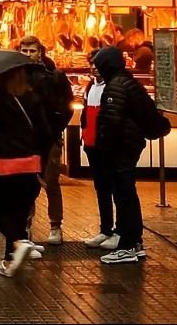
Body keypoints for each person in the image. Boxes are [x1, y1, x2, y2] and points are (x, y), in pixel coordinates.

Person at [93, 46, 169, 264]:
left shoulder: (115, 86)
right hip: (130, 146)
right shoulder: (128, 82)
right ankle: (134, 243)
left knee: (124, 196)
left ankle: (127, 245)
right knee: (127, 194)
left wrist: (104, 150)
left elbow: (112, 123)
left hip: (121, 149)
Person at [0, 65, 52, 277]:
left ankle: (18, 243)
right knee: (19, 212)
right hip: (30, 163)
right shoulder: (33, 99)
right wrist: (42, 165)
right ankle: (9, 260)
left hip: (5, 162)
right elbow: (46, 133)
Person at [17, 35, 73, 245]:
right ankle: (26, 225)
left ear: (40, 51)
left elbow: (67, 105)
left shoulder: (55, 75)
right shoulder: (17, 75)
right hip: (26, 139)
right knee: (26, 183)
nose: (29, 54)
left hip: (50, 137)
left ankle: (55, 225)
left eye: (32, 51)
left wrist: (56, 128)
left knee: (51, 182)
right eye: (25, 51)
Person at [80, 51, 119, 250]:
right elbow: (86, 113)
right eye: (92, 64)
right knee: (101, 188)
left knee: (115, 188)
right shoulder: (90, 86)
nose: (94, 67)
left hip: (107, 146)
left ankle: (118, 231)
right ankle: (105, 228)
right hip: (92, 145)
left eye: (97, 64)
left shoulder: (112, 87)